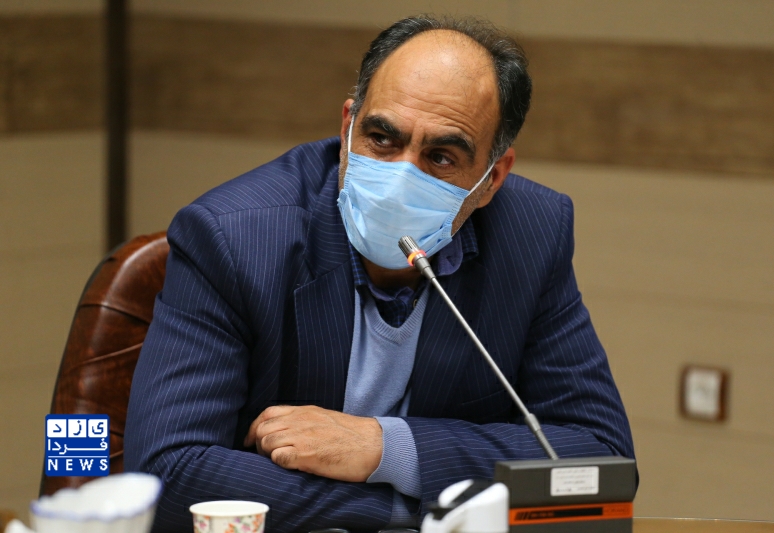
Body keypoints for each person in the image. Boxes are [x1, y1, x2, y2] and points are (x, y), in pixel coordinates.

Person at [125, 15, 635, 533]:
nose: (400, 177)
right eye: (382, 138)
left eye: (441, 157)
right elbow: (167, 472)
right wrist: (413, 510)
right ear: (348, 127)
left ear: (491, 179)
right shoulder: (235, 237)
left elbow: (600, 459)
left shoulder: (530, 236)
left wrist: (387, 447)